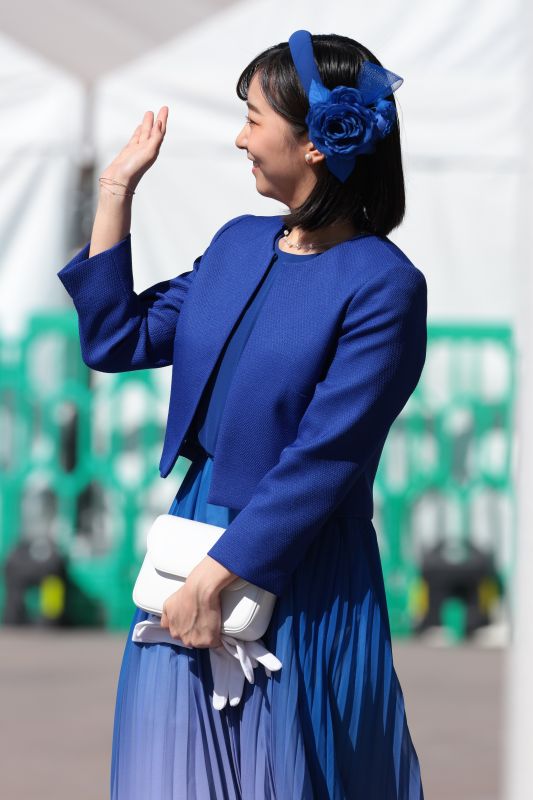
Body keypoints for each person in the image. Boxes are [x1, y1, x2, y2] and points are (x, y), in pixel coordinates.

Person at [57, 29, 427, 800]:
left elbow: (328, 455)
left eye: (254, 118)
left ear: (319, 143)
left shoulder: (384, 285)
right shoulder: (236, 244)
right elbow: (115, 337)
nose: (239, 137)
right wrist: (117, 190)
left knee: (286, 773)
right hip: (191, 541)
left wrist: (218, 576)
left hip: (296, 557)